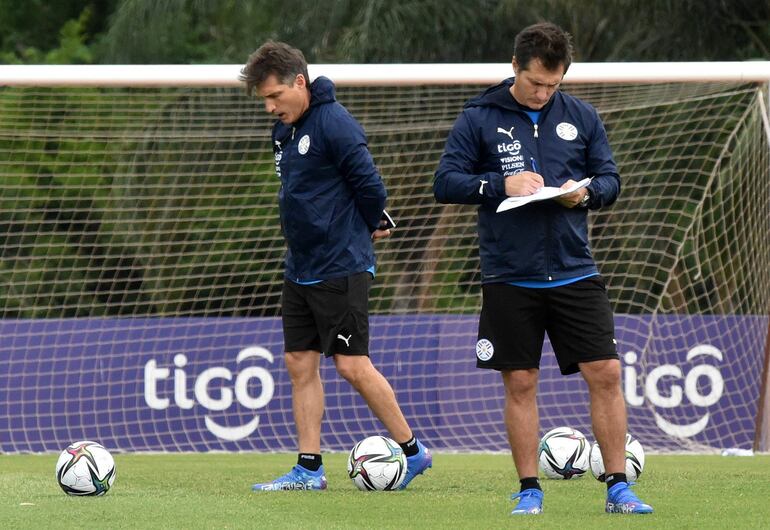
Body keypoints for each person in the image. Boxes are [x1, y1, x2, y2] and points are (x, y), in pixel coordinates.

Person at [434, 22, 652, 515]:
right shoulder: (479, 117)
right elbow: (445, 182)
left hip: (576, 270)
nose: (543, 93)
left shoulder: (582, 116)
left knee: (606, 372)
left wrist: (586, 194)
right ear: (515, 67)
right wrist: (499, 185)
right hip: (510, 275)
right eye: (536, 83)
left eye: (553, 85)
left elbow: (611, 180)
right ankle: (529, 489)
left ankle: (618, 487)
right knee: (521, 382)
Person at [240, 41, 431, 491]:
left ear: (299, 82)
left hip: (340, 262)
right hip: (300, 264)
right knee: (298, 362)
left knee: (350, 364)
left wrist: (369, 222)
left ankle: (412, 450)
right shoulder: (283, 132)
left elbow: (369, 184)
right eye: (264, 100)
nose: (270, 107)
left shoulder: (335, 121)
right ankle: (309, 469)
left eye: (275, 96)